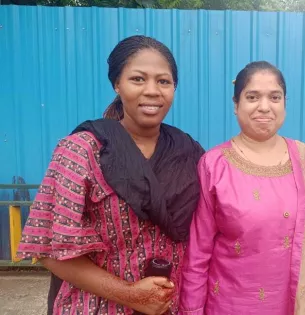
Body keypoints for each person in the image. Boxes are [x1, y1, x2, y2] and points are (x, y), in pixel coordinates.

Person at [16, 35, 204, 315]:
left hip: (169, 307)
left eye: (163, 81)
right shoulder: (82, 151)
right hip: (94, 307)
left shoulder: (190, 153)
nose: (152, 91)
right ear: (117, 84)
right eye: (138, 79)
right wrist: (130, 294)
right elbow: (48, 250)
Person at [179, 61, 305, 315]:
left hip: (296, 304)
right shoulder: (215, 164)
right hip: (230, 305)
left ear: (285, 103)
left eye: (274, 97)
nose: (264, 107)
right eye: (253, 97)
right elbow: (198, 250)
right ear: (236, 105)